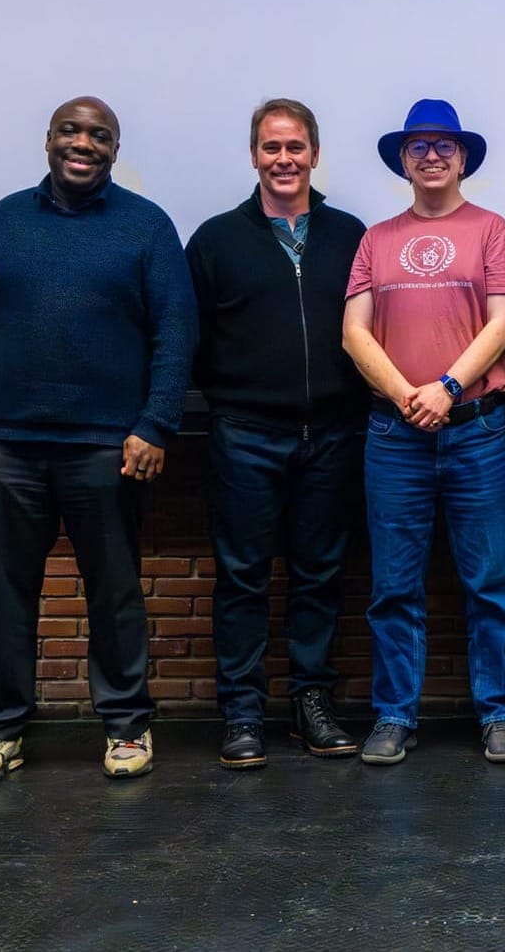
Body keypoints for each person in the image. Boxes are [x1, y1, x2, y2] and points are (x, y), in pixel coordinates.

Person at [0, 96, 195, 785]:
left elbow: (176, 334)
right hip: (9, 448)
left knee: (114, 594)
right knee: (5, 597)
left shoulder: (146, 226)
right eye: (70, 131)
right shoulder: (3, 221)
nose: (83, 143)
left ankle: (126, 725)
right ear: (49, 139)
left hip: (108, 449)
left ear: (115, 149)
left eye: (99, 135)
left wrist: (154, 425)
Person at [342, 99, 505, 767]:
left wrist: (446, 389)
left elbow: (504, 324)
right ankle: (395, 714)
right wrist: (407, 396)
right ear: (403, 160)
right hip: (396, 437)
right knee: (394, 586)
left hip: (477, 432)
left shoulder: (492, 230)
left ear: (462, 157)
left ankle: (499, 713)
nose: (431, 156)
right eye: (418, 146)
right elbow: (354, 333)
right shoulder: (376, 239)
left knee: (491, 582)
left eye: (443, 145)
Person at [185, 99, 365, 769]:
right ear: (254, 155)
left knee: (320, 574)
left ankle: (311, 702)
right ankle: (242, 712)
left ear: (314, 154)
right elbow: (190, 339)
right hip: (246, 435)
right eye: (271, 147)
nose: (283, 159)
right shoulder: (215, 240)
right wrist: (237, 394)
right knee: (243, 578)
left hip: (334, 435)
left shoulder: (350, 235)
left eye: (295, 147)